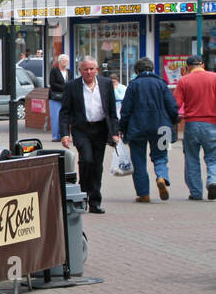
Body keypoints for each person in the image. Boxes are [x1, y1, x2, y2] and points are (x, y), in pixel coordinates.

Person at [59, 56, 119, 214]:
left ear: (97, 70)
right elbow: (65, 112)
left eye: (92, 69)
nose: (89, 72)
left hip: (100, 130)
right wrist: (65, 134)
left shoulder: (106, 84)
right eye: (85, 69)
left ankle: (95, 201)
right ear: (80, 71)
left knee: (97, 166)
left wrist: (115, 133)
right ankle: (83, 194)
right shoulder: (72, 86)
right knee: (86, 160)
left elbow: (112, 112)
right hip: (82, 129)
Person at [117, 58, 179, 203]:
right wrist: (174, 120)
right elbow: (172, 106)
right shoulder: (162, 84)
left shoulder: (133, 85)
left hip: (137, 128)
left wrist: (121, 128)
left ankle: (143, 194)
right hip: (162, 128)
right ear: (152, 69)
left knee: (138, 161)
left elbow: (126, 110)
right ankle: (161, 177)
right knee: (161, 157)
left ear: (136, 71)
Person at [175, 53, 216, 201]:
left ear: (188, 67)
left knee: (192, 158)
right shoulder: (214, 77)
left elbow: (177, 104)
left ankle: (196, 192)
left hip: (192, 124)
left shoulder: (183, 81)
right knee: (213, 157)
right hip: (212, 124)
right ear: (203, 65)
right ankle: (213, 180)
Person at [48, 54, 70, 138]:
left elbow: (71, 82)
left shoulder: (69, 72)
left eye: (66, 61)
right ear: (59, 62)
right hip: (55, 97)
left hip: (66, 98)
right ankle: (56, 136)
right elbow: (52, 83)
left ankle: (64, 135)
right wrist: (65, 87)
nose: (64, 62)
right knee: (56, 117)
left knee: (65, 117)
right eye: (63, 60)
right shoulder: (54, 71)